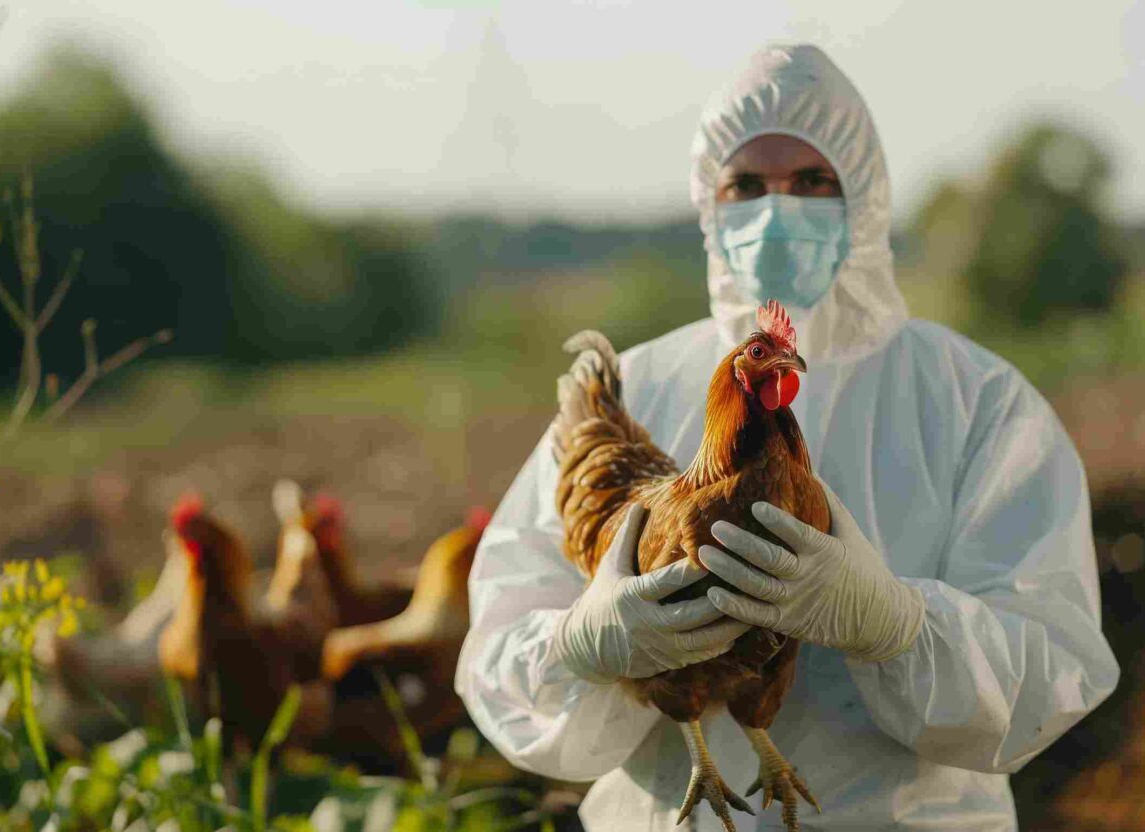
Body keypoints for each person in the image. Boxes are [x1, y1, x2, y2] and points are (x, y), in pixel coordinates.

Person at [454, 43, 1120, 831]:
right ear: (709, 200)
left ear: (865, 195)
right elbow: (498, 652)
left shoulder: (978, 403)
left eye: (811, 181)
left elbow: (1055, 668)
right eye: (746, 185)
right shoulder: (638, 385)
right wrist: (580, 644)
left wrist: (900, 625)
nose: (776, 211)